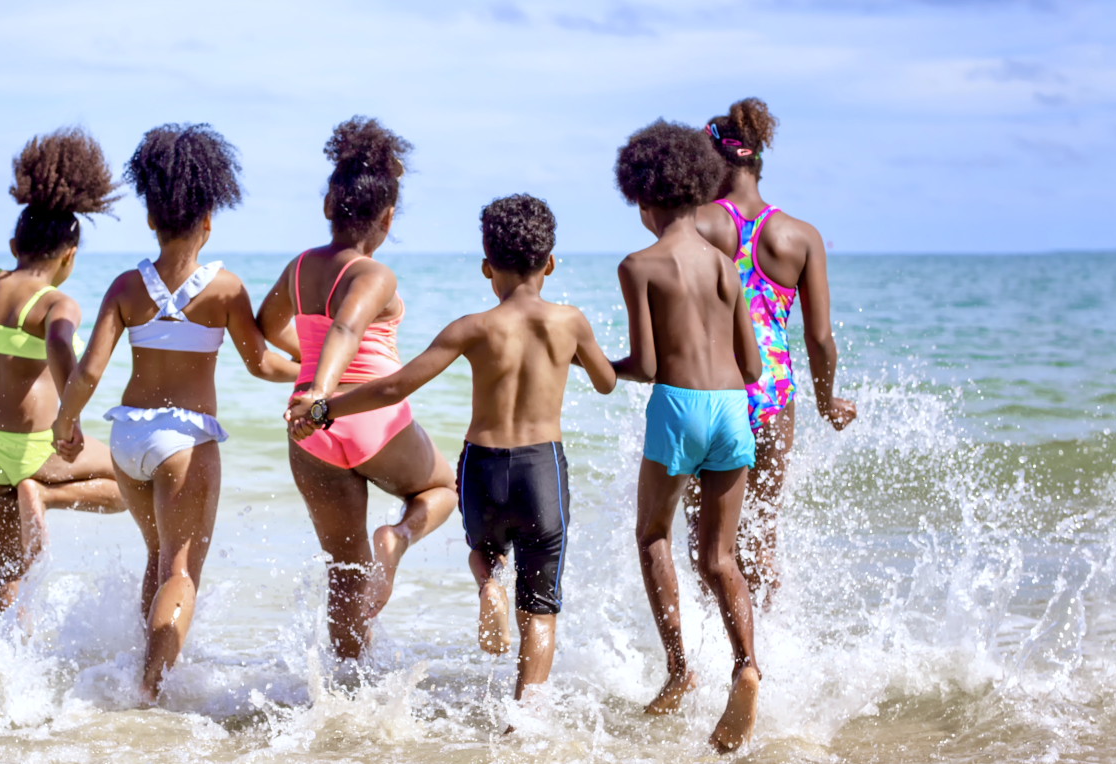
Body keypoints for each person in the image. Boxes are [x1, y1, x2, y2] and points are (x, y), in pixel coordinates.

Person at [289, 194, 615, 705]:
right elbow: (606, 381)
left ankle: (489, 582)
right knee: (541, 608)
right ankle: (523, 721)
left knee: (484, 550)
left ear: (488, 267)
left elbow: (396, 386)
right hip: (541, 470)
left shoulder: (470, 328)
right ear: (550, 263)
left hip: (482, 467)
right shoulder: (570, 322)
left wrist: (325, 409)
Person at [51, 124, 298, 705]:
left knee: (159, 559)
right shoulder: (224, 289)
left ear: (150, 219)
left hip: (129, 438)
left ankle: (145, 668)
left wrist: (66, 425)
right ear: (209, 219)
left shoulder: (125, 287)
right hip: (183, 439)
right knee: (181, 572)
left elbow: (87, 371)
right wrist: (311, 368)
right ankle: (147, 691)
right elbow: (261, 363)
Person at [255, 116, 458, 660]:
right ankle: (398, 539)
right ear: (388, 218)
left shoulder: (299, 269)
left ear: (327, 205)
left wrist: (305, 377)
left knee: (343, 569)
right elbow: (348, 326)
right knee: (443, 490)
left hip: (310, 431)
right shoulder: (376, 275)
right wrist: (323, 392)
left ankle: (347, 686)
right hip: (363, 417)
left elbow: (267, 326)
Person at [0, 127, 126, 615]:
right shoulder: (57, 301)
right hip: (33, 449)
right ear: (70, 256)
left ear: (15, 243)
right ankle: (46, 497)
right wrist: (68, 419)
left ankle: (2, 664)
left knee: (6, 567)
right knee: (132, 479)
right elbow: (58, 341)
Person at [610, 119, 764, 752]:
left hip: (678, 408)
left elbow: (646, 366)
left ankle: (678, 670)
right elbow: (754, 367)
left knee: (653, 537)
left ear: (642, 200)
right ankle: (747, 665)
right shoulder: (727, 266)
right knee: (720, 557)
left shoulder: (639, 263)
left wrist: (592, 363)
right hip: (733, 407)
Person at [694, 98, 856, 603]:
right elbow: (820, 338)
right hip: (772, 394)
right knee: (760, 539)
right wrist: (827, 401)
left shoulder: (695, 225)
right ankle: (770, 658)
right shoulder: (801, 237)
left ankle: (721, 653)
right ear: (757, 160)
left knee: (707, 544)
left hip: (710, 388)